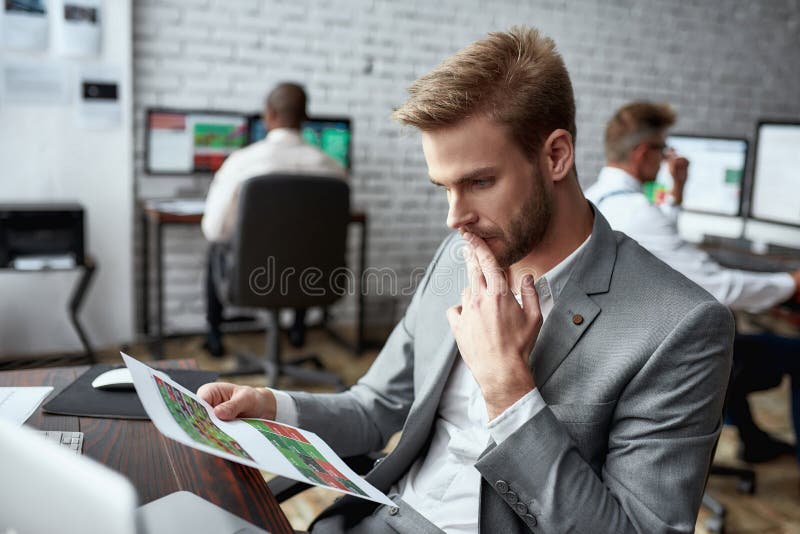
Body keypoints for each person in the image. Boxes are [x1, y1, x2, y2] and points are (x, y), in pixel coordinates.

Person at [199, 28, 734, 533]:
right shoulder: (459, 256)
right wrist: (272, 406)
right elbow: (375, 406)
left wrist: (508, 388)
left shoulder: (680, 327)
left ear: (556, 156)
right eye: (444, 187)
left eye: (479, 181)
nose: (455, 218)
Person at [585, 101, 800, 463]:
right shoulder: (637, 213)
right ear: (642, 153)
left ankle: (754, 441)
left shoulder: (598, 198)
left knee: (729, 337)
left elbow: (656, 232)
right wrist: (791, 283)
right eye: (663, 150)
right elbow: (721, 288)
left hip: (622, 345)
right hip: (660, 358)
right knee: (781, 349)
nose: (666, 159)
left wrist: (677, 190)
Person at [200, 82, 346, 357]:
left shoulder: (242, 163)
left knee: (216, 248)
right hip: (312, 281)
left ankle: (214, 337)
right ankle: (298, 331)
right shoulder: (334, 169)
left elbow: (214, 230)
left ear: (268, 115)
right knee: (305, 246)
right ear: (305, 117)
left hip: (253, 279)